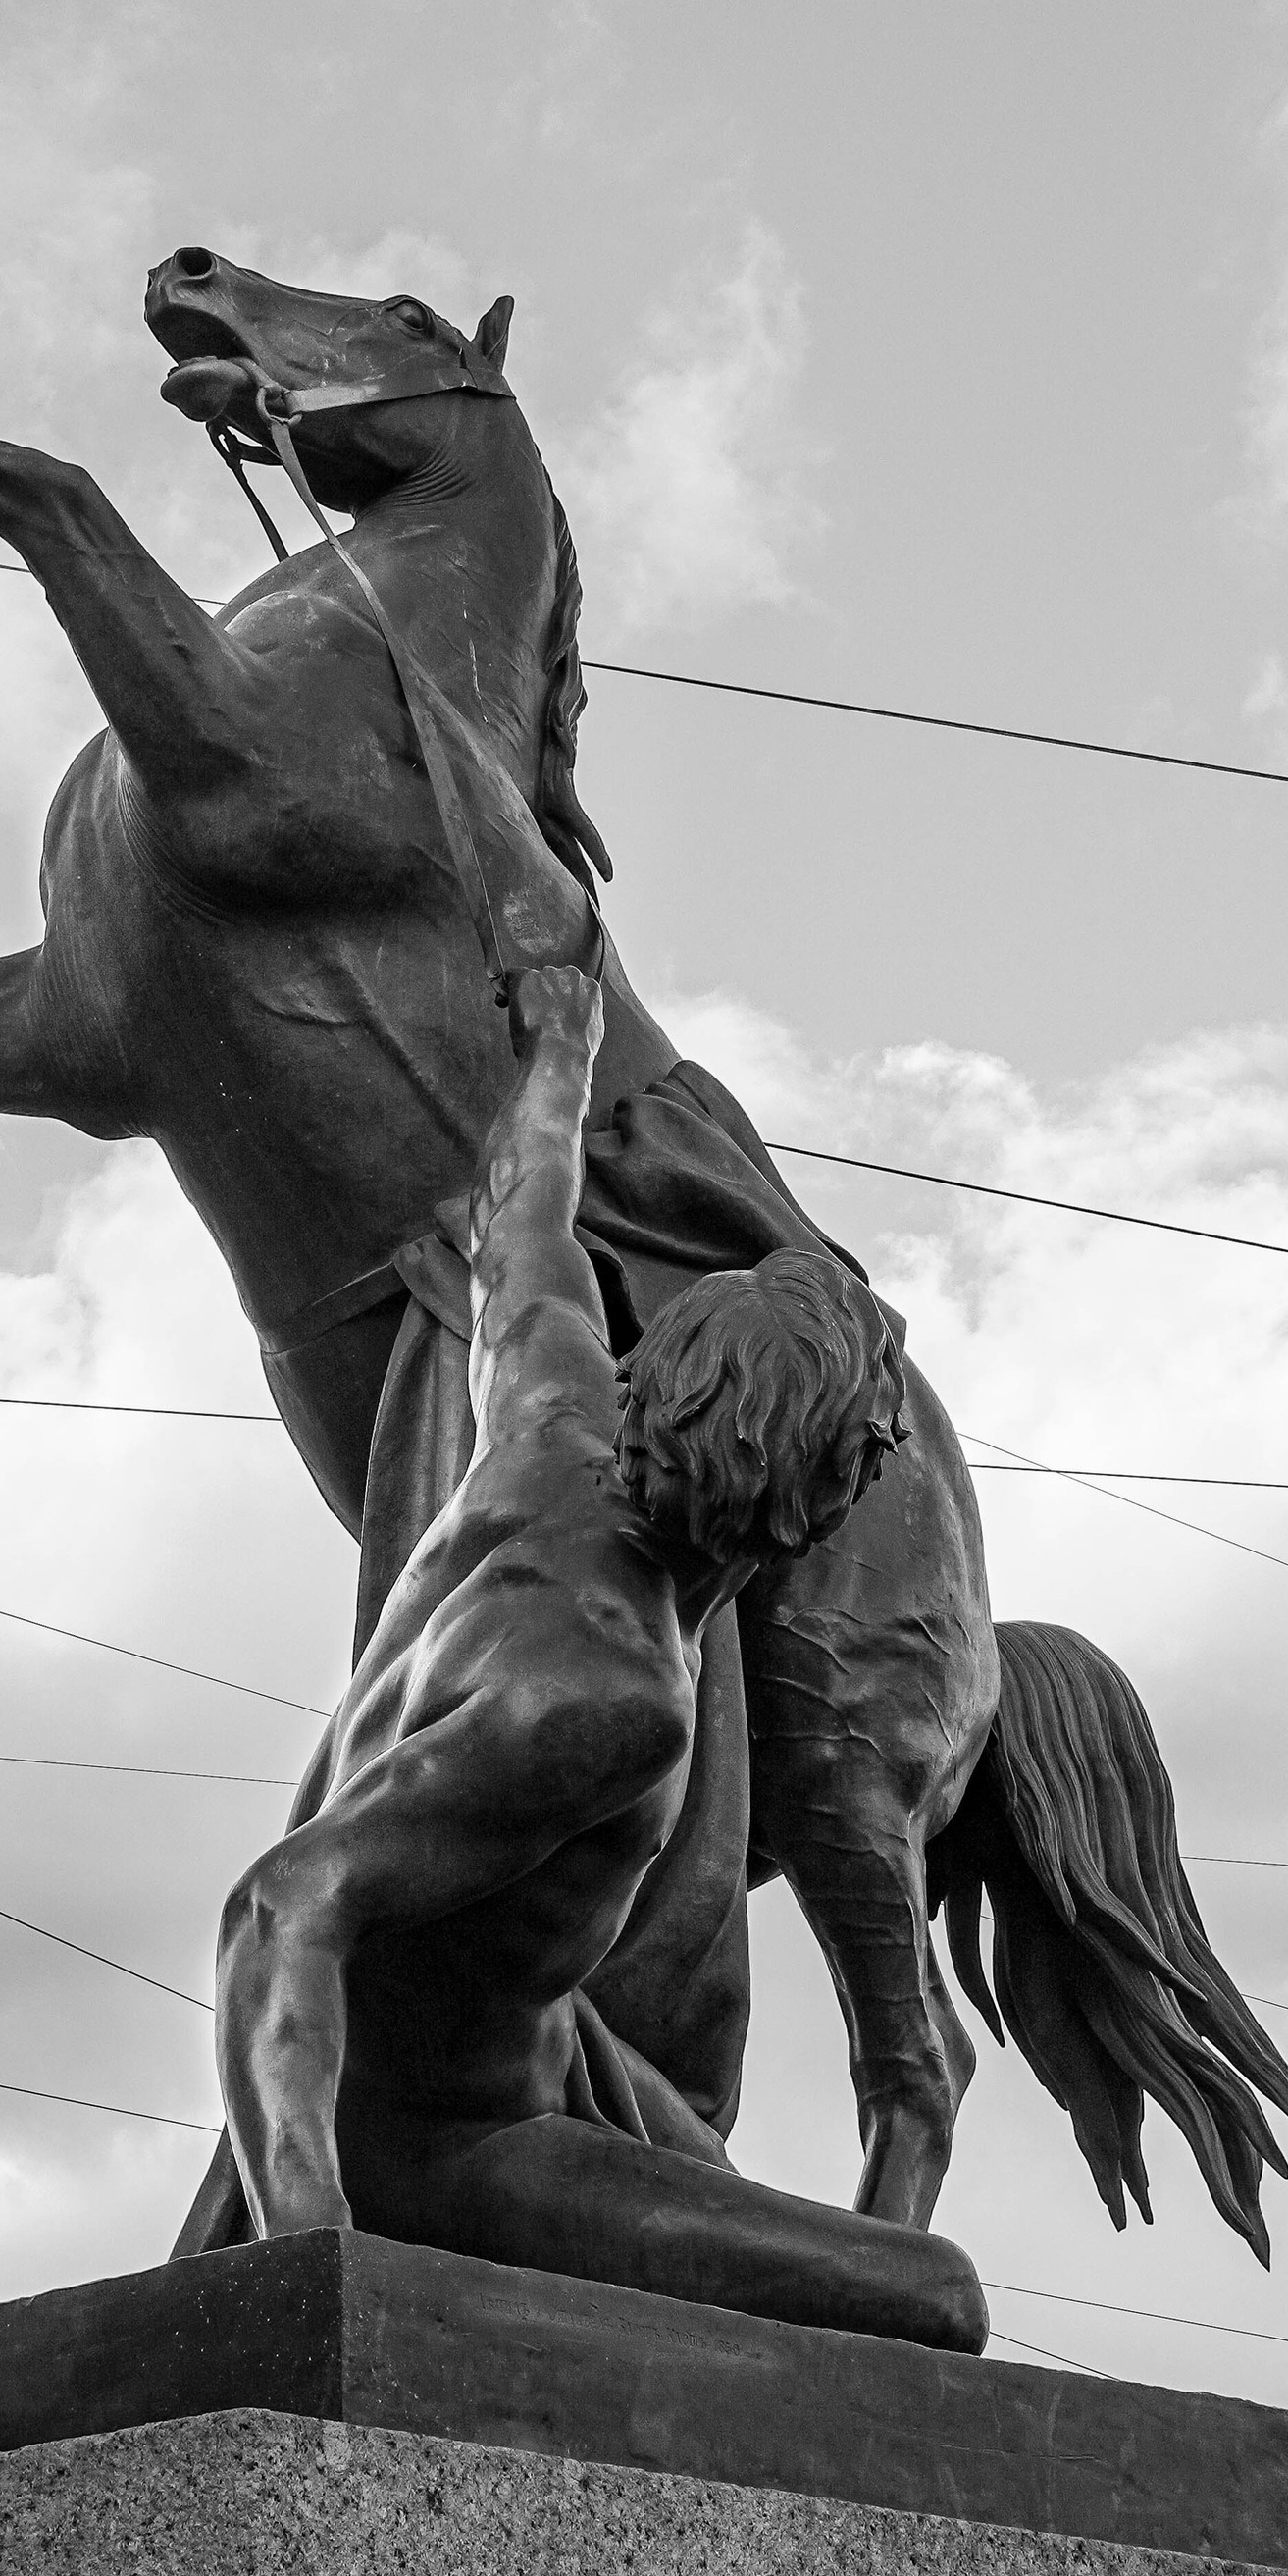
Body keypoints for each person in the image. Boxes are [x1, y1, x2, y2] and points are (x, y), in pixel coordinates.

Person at [215, 958, 988, 2352]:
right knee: (929, 2295)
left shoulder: (549, 1413)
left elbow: (526, 1209)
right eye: (872, 1465)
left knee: (717, 2191)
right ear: (813, 1501)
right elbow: (282, 1908)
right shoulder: (608, 1698)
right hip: (466, 2141)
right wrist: (312, 2261)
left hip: (565, 2069)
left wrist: (561, 1049)